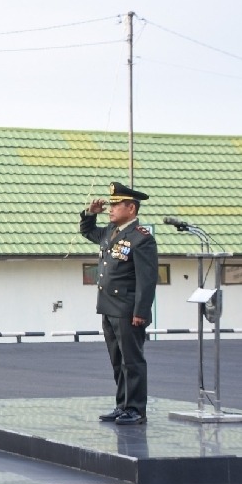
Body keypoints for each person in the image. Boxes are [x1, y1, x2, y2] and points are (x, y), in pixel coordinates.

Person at [80, 181, 158, 426]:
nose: (111, 209)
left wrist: (141, 311)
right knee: (117, 360)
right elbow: (87, 232)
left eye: (116, 205)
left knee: (132, 361)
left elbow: (147, 279)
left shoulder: (141, 238)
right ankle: (122, 405)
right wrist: (90, 213)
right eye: (110, 205)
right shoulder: (110, 232)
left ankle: (135, 409)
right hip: (108, 307)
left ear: (131, 209)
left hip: (127, 309)